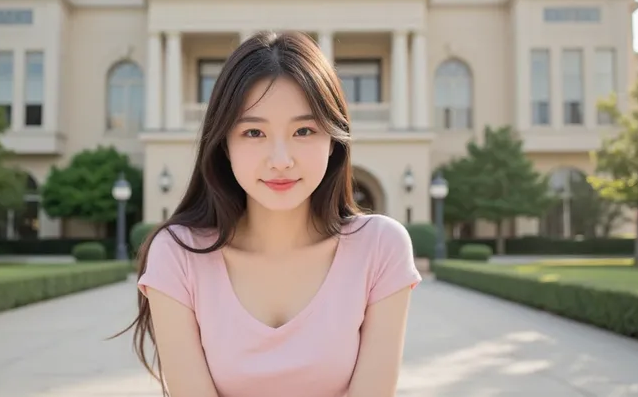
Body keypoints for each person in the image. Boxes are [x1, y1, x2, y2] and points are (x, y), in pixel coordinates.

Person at [118, 30, 422, 397]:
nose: (281, 160)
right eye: (254, 133)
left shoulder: (380, 247)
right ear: (224, 144)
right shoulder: (178, 255)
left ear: (333, 141)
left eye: (305, 130)